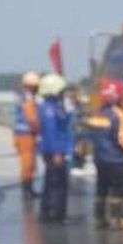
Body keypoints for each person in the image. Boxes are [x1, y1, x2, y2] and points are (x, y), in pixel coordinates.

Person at [84, 78, 123, 230]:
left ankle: (100, 219)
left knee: (101, 189)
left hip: (100, 158)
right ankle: (118, 219)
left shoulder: (97, 114)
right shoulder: (119, 115)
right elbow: (121, 138)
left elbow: (91, 136)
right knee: (118, 190)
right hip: (116, 159)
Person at [36, 73, 74, 224]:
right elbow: (52, 132)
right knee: (58, 183)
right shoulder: (49, 110)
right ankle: (56, 214)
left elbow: (63, 122)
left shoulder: (51, 107)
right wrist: (57, 152)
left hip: (53, 150)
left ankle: (47, 212)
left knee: (50, 182)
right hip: (54, 151)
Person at [12, 72, 41, 198]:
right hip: (26, 135)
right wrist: (40, 130)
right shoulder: (28, 99)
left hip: (22, 134)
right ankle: (27, 191)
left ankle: (28, 189)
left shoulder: (22, 97)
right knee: (27, 163)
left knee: (29, 163)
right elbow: (32, 118)